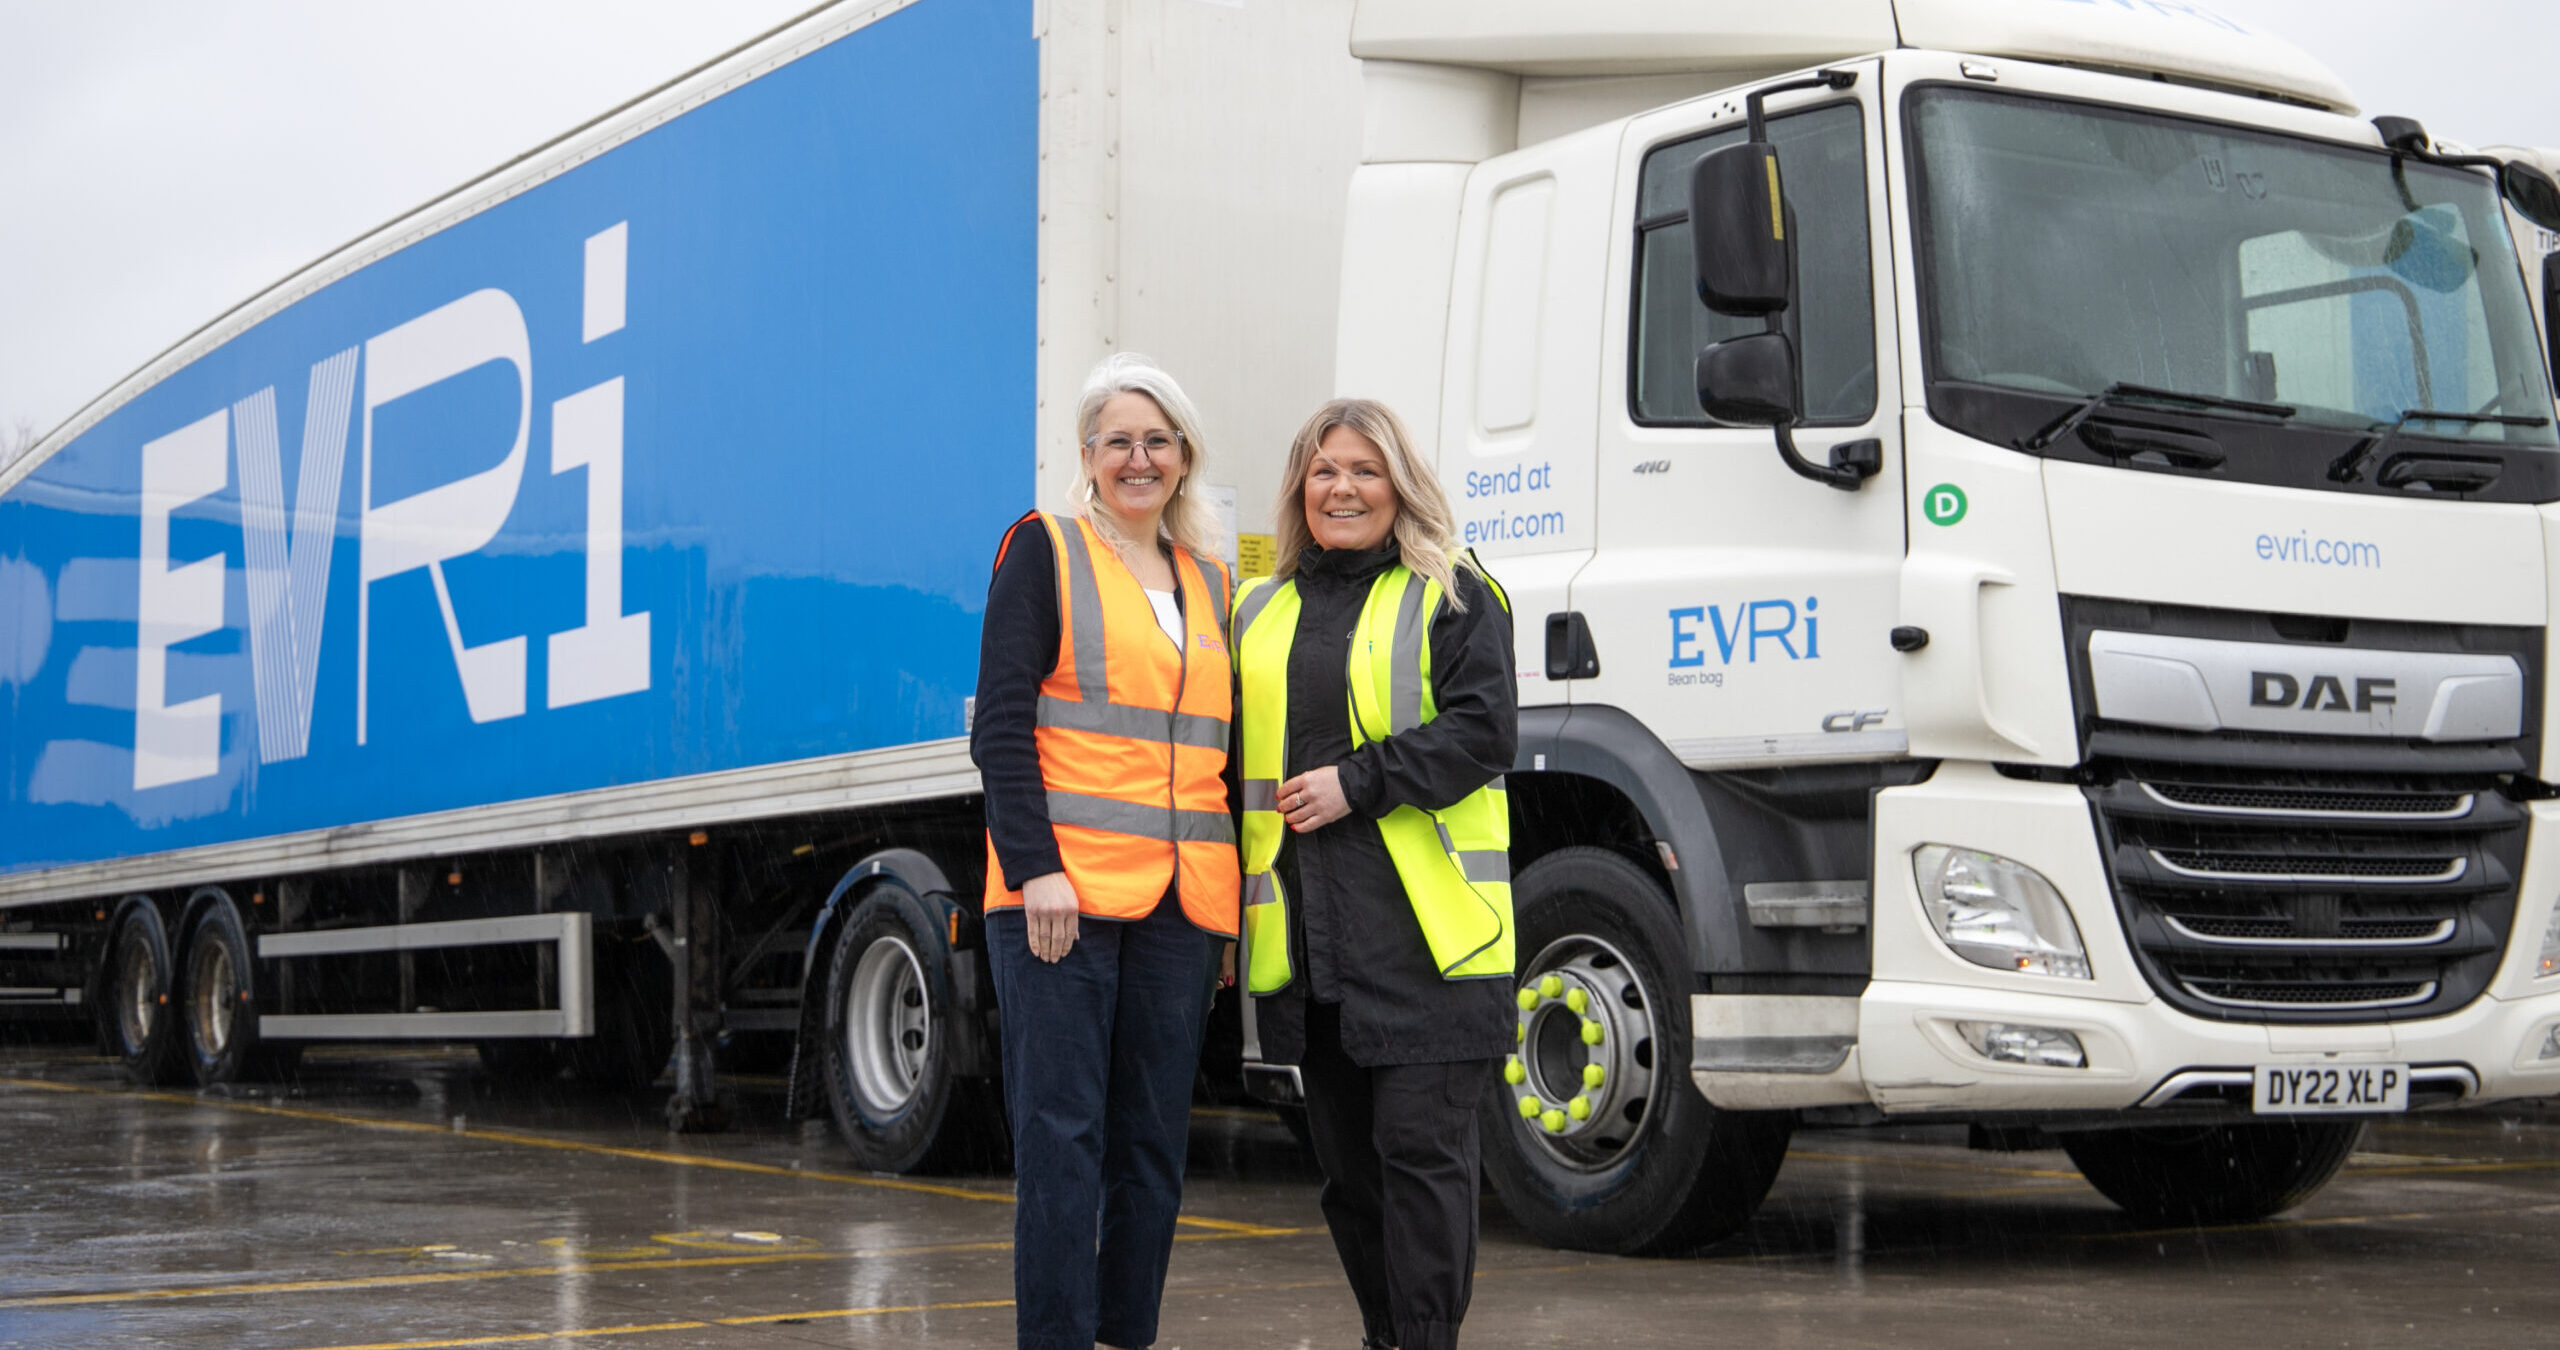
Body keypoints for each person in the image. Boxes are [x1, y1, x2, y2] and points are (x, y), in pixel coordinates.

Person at [1231, 398, 1517, 1350]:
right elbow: (1229, 773)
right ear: (1298, 490)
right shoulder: (1258, 610)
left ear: (1400, 484)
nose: (1342, 488)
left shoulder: (1453, 591)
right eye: (1324, 471)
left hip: (1432, 943)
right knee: (1350, 1178)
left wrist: (1357, 782)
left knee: (1421, 1161)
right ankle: (1386, 1336)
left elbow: (1485, 733)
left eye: (1364, 470)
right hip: (1315, 952)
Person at [971, 352, 1238, 1350]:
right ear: (1086, 456)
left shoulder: (1213, 583)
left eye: (1157, 441)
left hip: (1181, 906)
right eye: (1118, 441)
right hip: (1062, 900)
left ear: (1184, 458)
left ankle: (1127, 1334)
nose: (1138, 459)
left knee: (1150, 1148)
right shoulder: (1045, 549)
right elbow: (1001, 725)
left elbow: (1220, 757)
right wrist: (1035, 867)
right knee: (1061, 1142)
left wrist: (1227, 915)